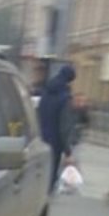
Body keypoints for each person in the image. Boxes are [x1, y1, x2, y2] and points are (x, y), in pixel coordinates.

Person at [37, 65, 77, 194]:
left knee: (40, 176)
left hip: (40, 139)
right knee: (50, 178)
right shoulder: (65, 98)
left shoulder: (46, 91)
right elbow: (64, 126)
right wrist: (68, 152)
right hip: (55, 143)